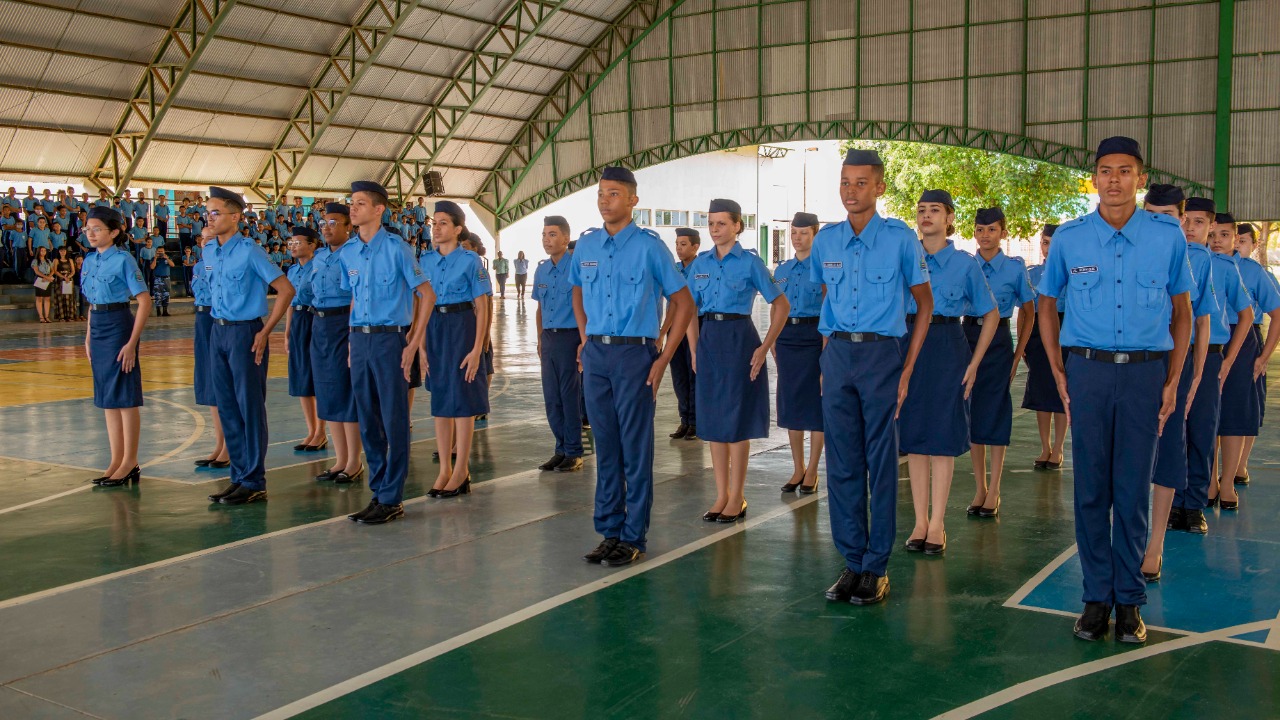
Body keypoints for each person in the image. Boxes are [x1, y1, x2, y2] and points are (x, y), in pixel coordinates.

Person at [1037, 136, 1193, 644]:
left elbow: (1183, 310)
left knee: (1132, 490)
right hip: (1089, 371)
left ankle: (1130, 601)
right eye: (1105, 170)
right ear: (1095, 178)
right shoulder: (1071, 238)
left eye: (1125, 171)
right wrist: (1060, 368)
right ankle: (1095, 598)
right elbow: (1046, 301)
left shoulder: (1167, 236)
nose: (1114, 180)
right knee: (1091, 491)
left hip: (1146, 374)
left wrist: (1172, 379)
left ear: (1140, 178)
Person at [813, 148, 932, 606]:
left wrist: (906, 367)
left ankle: (876, 566)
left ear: (880, 187)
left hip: (883, 355)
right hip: (839, 354)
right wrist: (827, 360)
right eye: (845, 182)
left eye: (861, 182)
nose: (851, 191)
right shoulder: (827, 242)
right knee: (842, 463)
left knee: (880, 464)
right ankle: (852, 560)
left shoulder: (901, 240)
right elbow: (828, 300)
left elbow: (925, 304)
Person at [571, 166, 695, 567]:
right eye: (601, 194)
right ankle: (609, 530)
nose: (605, 200)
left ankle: (633, 534)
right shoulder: (587, 246)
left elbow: (683, 302)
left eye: (613, 194)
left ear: (632, 201)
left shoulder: (649, 247)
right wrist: (585, 336)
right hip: (598, 355)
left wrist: (662, 357)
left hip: (633, 356)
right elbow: (576, 289)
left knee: (634, 449)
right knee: (605, 446)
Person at [899, 190, 998, 555]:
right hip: (908, 342)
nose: (926, 216)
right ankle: (919, 522)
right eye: (921, 210)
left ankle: (937, 523)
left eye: (935, 210)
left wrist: (973, 363)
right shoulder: (906, 257)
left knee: (940, 438)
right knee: (914, 440)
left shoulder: (964, 263)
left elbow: (990, 313)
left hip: (946, 346)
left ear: (949, 218)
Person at [684, 198, 789, 523]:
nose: (715, 229)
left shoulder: (750, 263)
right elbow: (687, 310)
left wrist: (765, 347)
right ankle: (721, 495)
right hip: (710, 340)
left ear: (737, 226)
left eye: (722, 224)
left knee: (736, 420)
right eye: (711, 223)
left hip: (740, 339)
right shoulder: (700, 264)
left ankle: (737, 496)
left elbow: (781, 305)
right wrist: (694, 349)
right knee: (715, 422)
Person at [340, 181, 432, 525]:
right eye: (352, 203)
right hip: (360, 340)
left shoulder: (397, 248)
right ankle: (379, 491)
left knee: (394, 419)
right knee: (367, 418)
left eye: (360, 203)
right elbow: (353, 298)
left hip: (390, 340)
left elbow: (427, 295)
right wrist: (352, 342)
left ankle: (392, 496)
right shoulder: (348, 252)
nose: (353, 208)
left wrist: (412, 342)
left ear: (379, 210)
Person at [1137, 185, 1217, 582]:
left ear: (1182, 219)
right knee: (1130, 452)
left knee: (1170, 446)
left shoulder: (1197, 259)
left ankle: (1155, 547)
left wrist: (1197, 371)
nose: (1159, 220)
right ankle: (1131, 540)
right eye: (1151, 212)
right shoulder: (1128, 250)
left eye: (1167, 214)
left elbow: (1200, 320)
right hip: (1134, 364)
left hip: (1175, 362)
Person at [204, 187, 296, 507]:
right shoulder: (209, 251)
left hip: (246, 333)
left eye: (216, 212)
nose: (210, 217)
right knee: (227, 406)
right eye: (208, 212)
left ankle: (254, 480)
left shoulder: (250, 251)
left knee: (249, 407)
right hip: (218, 331)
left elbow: (285, 289)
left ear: (236, 217)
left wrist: (266, 331)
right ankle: (239, 475)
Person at [1169, 198, 1252, 538]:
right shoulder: (1167, 258)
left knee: (1202, 430)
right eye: (1186, 220)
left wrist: (1228, 359)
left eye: (1200, 222)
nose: (1190, 227)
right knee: (1172, 431)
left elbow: (1245, 315)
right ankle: (1171, 501)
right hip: (1170, 352)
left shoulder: (1223, 266)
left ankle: (1194, 505)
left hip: (1207, 355)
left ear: (1209, 226)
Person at [967, 207, 1035, 516]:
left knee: (995, 412)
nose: (985, 235)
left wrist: (1018, 355)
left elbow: (1030, 312)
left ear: (1003, 233)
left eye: (992, 229)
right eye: (980, 229)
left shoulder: (1014, 268)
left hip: (997, 344)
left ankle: (995, 490)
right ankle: (979, 487)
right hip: (967, 336)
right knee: (973, 413)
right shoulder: (966, 266)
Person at [421, 201, 491, 497]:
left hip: (462, 325)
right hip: (434, 326)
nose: (436, 228)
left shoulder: (471, 261)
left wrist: (478, 349)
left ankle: (462, 469)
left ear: (458, 229)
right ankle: (444, 470)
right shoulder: (424, 261)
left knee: (462, 400)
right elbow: (419, 305)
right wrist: (420, 345)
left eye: (443, 223)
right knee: (440, 398)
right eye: (434, 223)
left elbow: (483, 306)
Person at [1213, 213, 1280, 511]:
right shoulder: (1199, 264)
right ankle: (1208, 480)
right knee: (1206, 412)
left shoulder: (1252, 272)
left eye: (1228, 236)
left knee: (1236, 414)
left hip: (1244, 340)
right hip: (1207, 339)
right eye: (1214, 234)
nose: (1219, 241)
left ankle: (1228, 481)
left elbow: (1276, 314)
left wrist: (1264, 357)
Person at [81, 206, 151, 487]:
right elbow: (91, 303)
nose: (91, 234)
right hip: (97, 325)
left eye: (97, 229)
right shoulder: (88, 261)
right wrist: (87, 336)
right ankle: (115, 460)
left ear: (114, 232)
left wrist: (132, 343)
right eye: (88, 229)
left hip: (119, 325)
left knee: (124, 396)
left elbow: (144, 302)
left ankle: (130, 462)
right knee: (107, 398)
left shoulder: (124, 260)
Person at [310, 202, 363, 484]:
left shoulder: (354, 253)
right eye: (323, 224)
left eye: (333, 223)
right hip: (320, 324)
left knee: (345, 391)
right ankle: (339, 459)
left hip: (344, 322)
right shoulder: (319, 257)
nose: (327, 228)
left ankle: (354, 461)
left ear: (347, 226)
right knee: (328, 391)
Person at [773, 213, 825, 493]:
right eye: (794, 232)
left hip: (814, 335)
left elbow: (829, 309)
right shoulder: (782, 270)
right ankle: (797, 468)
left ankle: (813, 470)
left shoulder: (823, 269)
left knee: (816, 406)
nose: (797, 237)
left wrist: (828, 352)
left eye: (803, 233)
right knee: (791, 403)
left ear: (815, 234)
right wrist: (772, 343)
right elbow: (775, 307)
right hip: (787, 338)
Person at [533, 216, 585, 472]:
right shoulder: (541, 269)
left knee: (569, 396)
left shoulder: (577, 267)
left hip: (570, 337)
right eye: (544, 235)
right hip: (550, 339)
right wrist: (540, 337)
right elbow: (540, 308)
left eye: (552, 234)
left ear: (566, 238)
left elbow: (586, 306)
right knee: (551, 397)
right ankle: (560, 448)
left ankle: (574, 451)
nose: (547, 239)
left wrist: (583, 341)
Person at [1230, 223, 1279, 488]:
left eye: (1243, 241)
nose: (1238, 245)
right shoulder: (1215, 266)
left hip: (1250, 338)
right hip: (1220, 338)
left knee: (1247, 408)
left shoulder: (1259, 274)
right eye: (1235, 239)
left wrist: (1264, 356)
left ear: (1254, 244)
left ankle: (1240, 465)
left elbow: (1276, 315)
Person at [1022, 224, 1068, 469]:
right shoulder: (1033, 274)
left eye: (1053, 242)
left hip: (1065, 330)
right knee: (1041, 391)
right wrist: (1026, 342)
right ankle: (1045, 446)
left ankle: (1059, 447)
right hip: (1040, 331)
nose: (1048, 248)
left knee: (1061, 393)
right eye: (1045, 242)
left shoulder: (1071, 272)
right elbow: (1027, 311)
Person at [283, 226, 327, 453]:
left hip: (314, 318)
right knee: (301, 377)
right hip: (299, 320)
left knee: (316, 375)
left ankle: (321, 431)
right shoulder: (291, 272)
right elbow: (290, 302)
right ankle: (311, 430)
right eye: (291, 243)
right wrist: (288, 332)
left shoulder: (318, 268)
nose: (293, 246)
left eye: (298, 242)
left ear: (312, 245)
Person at [190, 227, 230, 470]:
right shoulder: (197, 267)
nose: (205, 242)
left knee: (221, 383)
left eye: (210, 239)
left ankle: (229, 446)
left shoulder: (223, 263)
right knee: (209, 384)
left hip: (218, 319)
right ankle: (219, 443)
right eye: (202, 239)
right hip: (202, 319)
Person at [658, 227, 700, 440]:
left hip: (695, 326)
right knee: (679, 377)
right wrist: (663, 332)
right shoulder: (673, 269)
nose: (679, 248)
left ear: (695, 247)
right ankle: (684, 420)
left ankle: (695, 422)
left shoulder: (700, 267)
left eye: (683, 244)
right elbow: (671, 304)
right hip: (675, 328)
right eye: (677, 244)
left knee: (694, 376)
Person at [52, 245, 77, 322]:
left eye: (64, 251)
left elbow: (73, 271)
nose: (63, 252)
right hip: (60, 281)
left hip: (69, 280)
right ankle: (61, 316)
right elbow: (55, 271)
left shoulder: (70, 260)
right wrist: (63, 277)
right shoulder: (56, 260)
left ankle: (70, 316)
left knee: (69, 298)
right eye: (61, 251)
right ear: (59, 252)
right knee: (60, 298)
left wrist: (68, 277)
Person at [30, 246, 55, 323]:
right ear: (39, 252)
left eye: (44, 250)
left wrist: (48, 277)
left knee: (47, 298)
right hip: (40, 279)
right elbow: (36, 271)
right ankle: (41, 316)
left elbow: (53, 271)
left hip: (47, 278)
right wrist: (45, 277)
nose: (43, 252)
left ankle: (47, 316)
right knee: (39, 298)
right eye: (42, 250)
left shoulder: (48, 261)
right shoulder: (35, 261)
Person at [149, 245, 173, 316]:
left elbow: (172, 265)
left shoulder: (167, 258)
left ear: (164, 252)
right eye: (159, 252)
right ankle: (158, 311)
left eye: (161, 251)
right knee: (157, 295)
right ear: (156, 252)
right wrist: (155, 259)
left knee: (166, 295)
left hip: (166, 279)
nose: (160, 253)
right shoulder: (154, 258)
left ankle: (165, 311)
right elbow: (152, 267)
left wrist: (167, 259)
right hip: (158, 279)